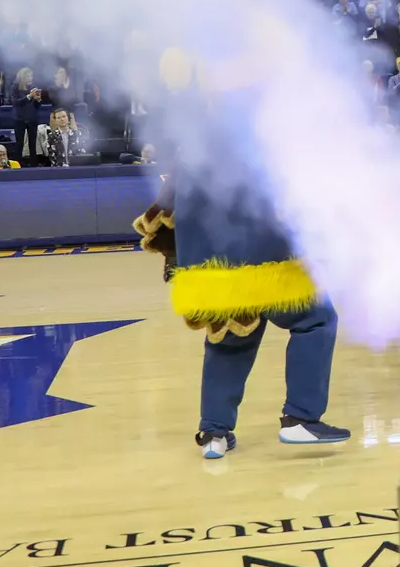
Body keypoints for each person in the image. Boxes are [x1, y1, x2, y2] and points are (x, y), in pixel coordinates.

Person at [136, 169, 351, 455]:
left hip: (210, 270)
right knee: (315, 321)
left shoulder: (192, 144)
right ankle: (301, 418)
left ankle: (214, 434)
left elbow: (165, 209)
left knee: (229, 343)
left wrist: (175, 258)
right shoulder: (254, 132)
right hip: (268, 266)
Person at [9, 68, 44, 164]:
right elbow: (15, 102)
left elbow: (37, 106)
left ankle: (34, 164)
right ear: (22, 77)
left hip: (32, 118)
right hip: (19, 119)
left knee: (33, 143)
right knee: (19, 143)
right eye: (28, 76)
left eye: (31, 76)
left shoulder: (33, 87)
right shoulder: (15, 87)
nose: (30, 78)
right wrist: (29, 96)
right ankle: (18, 165)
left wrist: (38, 100)